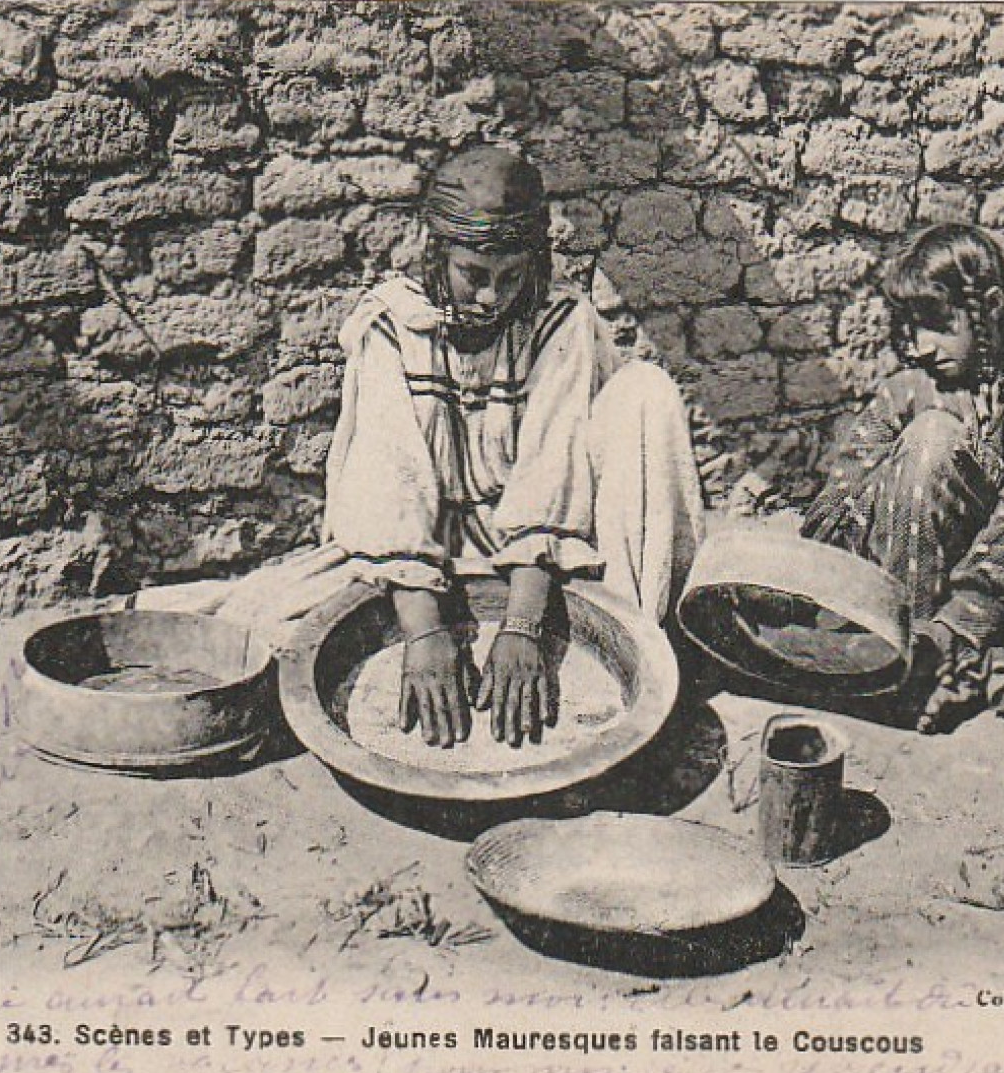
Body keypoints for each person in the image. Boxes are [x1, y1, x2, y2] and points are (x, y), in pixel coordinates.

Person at [133, 143, 705, 751]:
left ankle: (639, 646)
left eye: (511, 278)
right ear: (437, 255)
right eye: (475, 276)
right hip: (421, 551)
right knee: (264, 639)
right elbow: (390, 483)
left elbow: (552, 473)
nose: (492, 297)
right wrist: (426, 638)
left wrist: (522, 628)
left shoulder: (560, 319)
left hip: (546, 552)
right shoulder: (390, 325)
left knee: (647, 388)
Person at [801, 224, 1004, 735]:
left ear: (990, 307)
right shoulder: (903, 393)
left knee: (933, 439)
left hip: (969, 601)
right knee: (928, 437)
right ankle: (898, 651)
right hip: (881, 587)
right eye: (912, 327)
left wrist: (953, 630)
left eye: (936, 323)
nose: (922, 346)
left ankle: (927, 659)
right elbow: (832, 508)